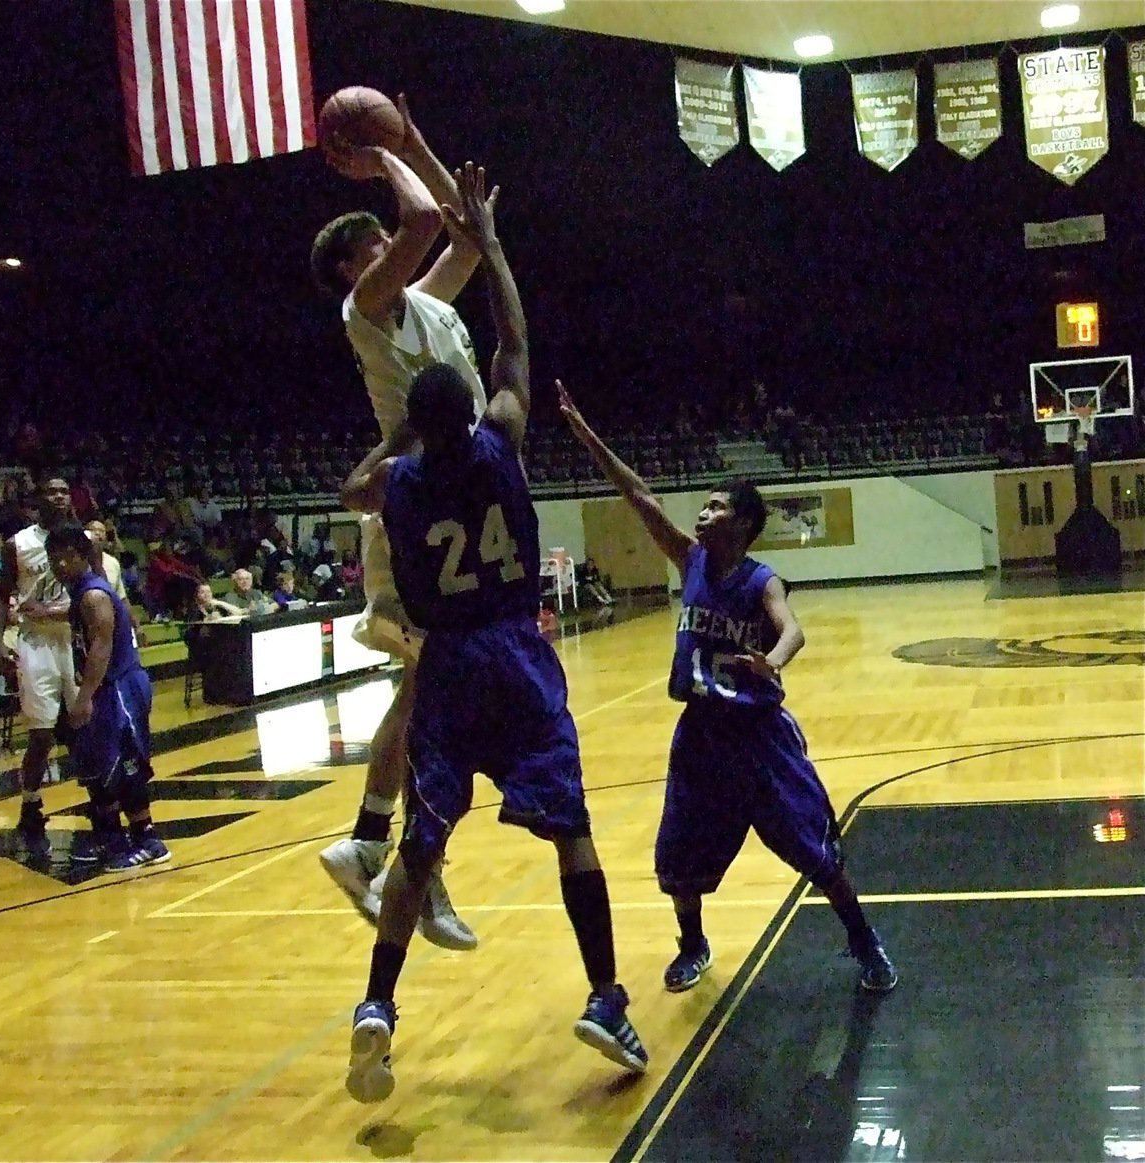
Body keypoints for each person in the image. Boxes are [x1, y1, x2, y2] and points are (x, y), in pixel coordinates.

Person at [338, 162, 647, 1104]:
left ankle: (377, 1007)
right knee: (573, 832)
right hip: (515, 653)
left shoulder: (401, 480)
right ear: (469, 410)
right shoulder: (503, 436)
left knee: (423, 847)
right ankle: (604, 995)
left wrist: (398, 443)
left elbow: (353, 489)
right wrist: (495, 243)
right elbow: (514, 341)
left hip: (448, 665)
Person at [557, 383, 899, 996]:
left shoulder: (760, 579)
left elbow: (792, 628)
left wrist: (772, 660)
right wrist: (585, 434)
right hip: (701, 736)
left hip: (759, 738)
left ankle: (861, 935)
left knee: (815, 850)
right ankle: (693, 945)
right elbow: (638, 496)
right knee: (680, 858)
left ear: (741, 522)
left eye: (715, 506)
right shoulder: (689, 561)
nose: (703, 512)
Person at [310, 94, 491, 950]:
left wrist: (411, 132)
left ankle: (380, 848)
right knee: (432, 692)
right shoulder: (367, 309)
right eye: (372, 246)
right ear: (354, 268)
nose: (390, 242)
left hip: (451, 501)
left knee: (428, 693)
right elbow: (421, 217)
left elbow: (463, 232)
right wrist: (376, 151)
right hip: (414, 508)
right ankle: (396, 856)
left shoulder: (425, 302)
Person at [45, 522, 170, 870]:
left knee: (125, 764)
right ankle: (113, 838)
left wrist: (84, 696)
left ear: (78, 556)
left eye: (63, 558)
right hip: (104, 687)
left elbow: (101, 646)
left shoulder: (93, 595)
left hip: (117, 687)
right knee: (98, 766)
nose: (58, 566)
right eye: (52, 559)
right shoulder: (81, 588)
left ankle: (148, 840)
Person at [0, 472, 85, 858]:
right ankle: (30, 802)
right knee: (42, 733)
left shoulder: (82, 540)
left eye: (65, 491)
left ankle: (100, 795)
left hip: (74, 638)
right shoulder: (19, 543)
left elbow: (94, 588)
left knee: (87, 723)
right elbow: (1, 595)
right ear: (38, 499)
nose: (60, 496)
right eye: (52, 491)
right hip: (36, 641)